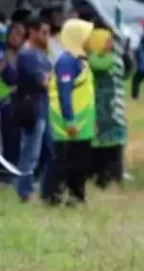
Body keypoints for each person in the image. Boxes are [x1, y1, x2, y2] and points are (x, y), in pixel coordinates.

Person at [43, 19, 96, 206]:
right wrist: (70, 120)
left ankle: (76, 197)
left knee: (79, 164)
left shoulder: (81, 60)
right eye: (87, 36)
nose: (90, 39)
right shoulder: (67, 61)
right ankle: (52, 198)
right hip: (68, 126)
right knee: (63, 163)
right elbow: (65, 93)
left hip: (83, 126)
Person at [11, 15, 53, 202]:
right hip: (33, 109)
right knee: (31, 152)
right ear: (32, 32)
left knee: (50, 151)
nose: (47, 36)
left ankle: (46, 187)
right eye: (43, 32)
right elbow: (45, 82)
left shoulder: (42, 53)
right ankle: (24, 191)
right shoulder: (27, 54)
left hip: (45, 108)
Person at [86, 23, 124, 188]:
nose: (110, 44)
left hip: (111, 106)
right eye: (106, 41)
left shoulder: (111, 59)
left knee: (111, 143)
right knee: (101, 143)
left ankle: (110, 176)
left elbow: (97, 64)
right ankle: (100, 175)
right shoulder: (105, 57)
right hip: (102, 106)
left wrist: (89, 52)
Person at [0, 15, 25, 182]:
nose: (17, 38)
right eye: (14, 34)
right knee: (9, 140)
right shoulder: (4, 54)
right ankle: (8, 174)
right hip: (6, 102)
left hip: (20, 103)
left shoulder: (25, 54)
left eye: (20, 34)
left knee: (18, 140)